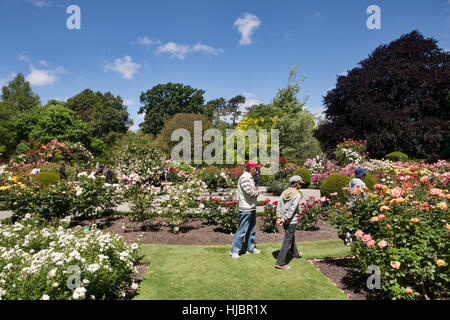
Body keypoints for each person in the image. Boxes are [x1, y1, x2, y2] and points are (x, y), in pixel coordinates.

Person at [230, 161, 263, 259]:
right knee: (242, 230)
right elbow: (250, 192)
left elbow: (253, 190)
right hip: (246, 208)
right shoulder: (245, 178)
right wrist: (257, 192)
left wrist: (255, 190)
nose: (258, 170)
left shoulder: (250, 178)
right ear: (251, 169)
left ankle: (250, 248)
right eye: (256, 168)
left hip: (251, 207)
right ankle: (234, 250)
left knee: (251, 229)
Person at [274, 175, 303, 270]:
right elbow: (292, 209)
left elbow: (278, 205)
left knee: (290, 236)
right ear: (297, 184)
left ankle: (295, 253)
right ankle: (280, 262)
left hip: (283, 219)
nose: (301, 185)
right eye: (300, 183)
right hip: (290, 220)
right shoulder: (297, 194)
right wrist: (285, 218)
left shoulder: (284, 192)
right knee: (287, 240)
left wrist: (279, 217)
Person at [345, 167, 368, 246]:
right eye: (364, 174)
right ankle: (359, 239)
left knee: (350, 222)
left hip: (351, 203)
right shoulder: (362, 184)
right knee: (360, 221)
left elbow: (349, 192)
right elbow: (364, 196)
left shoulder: (351, 181)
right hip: (358, 204)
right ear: (361, 175)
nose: (365, 176)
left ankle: (348, 240)